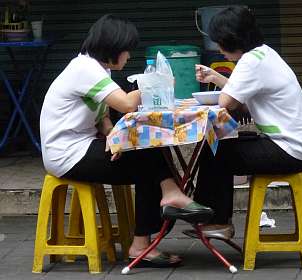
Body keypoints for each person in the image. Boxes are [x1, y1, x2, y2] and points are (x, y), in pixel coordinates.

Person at [39, 14, 213, 268]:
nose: (129, 56)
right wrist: (154, 84)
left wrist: (111, 135)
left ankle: (165, 206)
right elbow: (125, 103)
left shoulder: (98, 69)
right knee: (146, 155)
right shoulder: (84, 69)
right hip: (67, 155)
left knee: (147, 151)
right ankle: (167, 204)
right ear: (112, 47)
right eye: (127, 51)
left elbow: (102, 116)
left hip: (84, 145)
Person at [184, 5, 302, 241]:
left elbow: (227, 101)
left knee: (217, 151)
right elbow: (242, 96)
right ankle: (211, 218)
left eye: (219, 43)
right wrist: (215, 77)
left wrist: (219, 82)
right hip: (295, 144)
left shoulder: (250, 62)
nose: (218, 49)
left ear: (231, 39)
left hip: (290, 149)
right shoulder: (265, 53)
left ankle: (216, 221)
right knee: (219, 147)